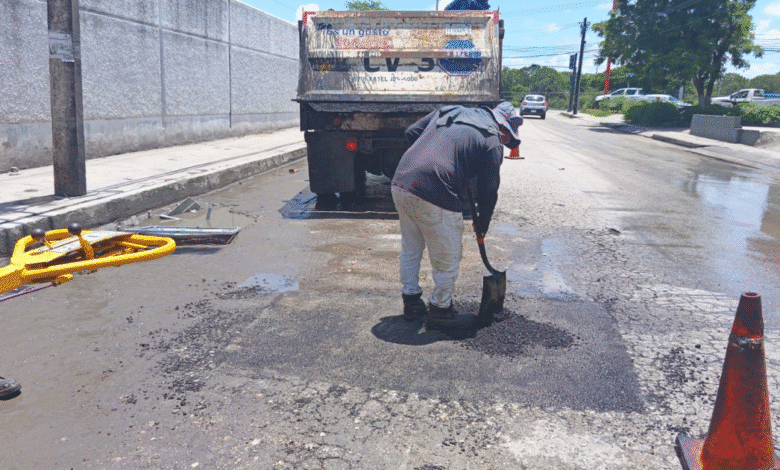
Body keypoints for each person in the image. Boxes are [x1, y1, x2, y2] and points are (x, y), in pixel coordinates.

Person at [391, 101, 522, 329]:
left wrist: (440, 161)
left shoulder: (450, 110)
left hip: (401, 182)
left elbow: (410, 132)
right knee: (448, 258)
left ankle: (411, 302)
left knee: (411, 247)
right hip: (435, 191)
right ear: (502, 127)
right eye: (507, 137)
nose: (505, 141)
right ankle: (441, 310)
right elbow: (488, 191)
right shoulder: (491, 140)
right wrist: (483, 223)